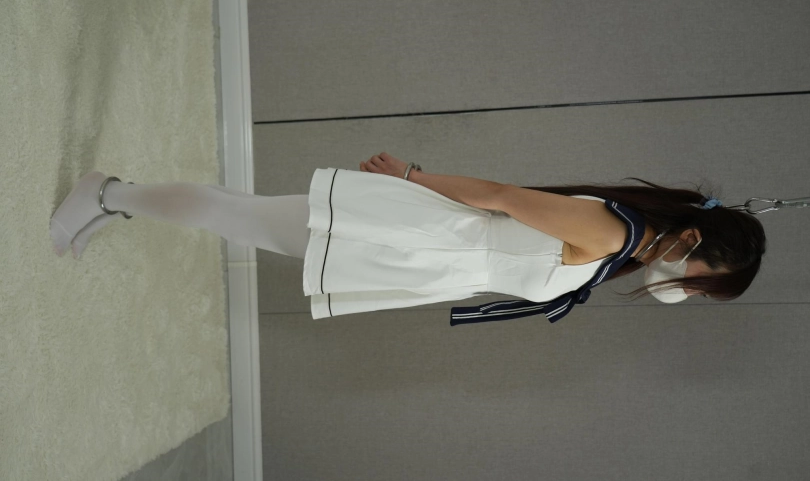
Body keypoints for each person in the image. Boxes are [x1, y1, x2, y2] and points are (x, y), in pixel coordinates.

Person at [50, 153, 766, 313]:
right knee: (241, 217)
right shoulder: (612, 235)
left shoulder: (618, 253)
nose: (688, 294)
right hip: (410, 234)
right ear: (691, 247)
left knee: (251, 216)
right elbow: (503, 198)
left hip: (421, 255)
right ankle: (106, 193)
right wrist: (412, 176)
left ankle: (115, 199)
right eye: (702, 286)